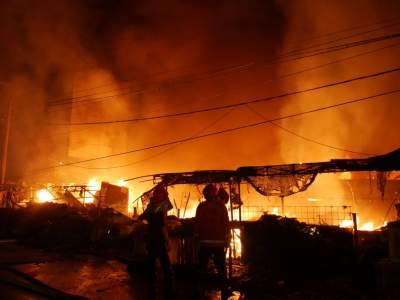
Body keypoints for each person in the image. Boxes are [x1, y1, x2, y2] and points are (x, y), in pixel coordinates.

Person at [139, 184, 173, 285]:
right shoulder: (158, 209)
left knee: (151, 260)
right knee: (165, 262)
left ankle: (151, 281)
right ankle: (168, 284)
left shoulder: (151, 206)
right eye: (162, 195)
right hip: (158, 238)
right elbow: (162, 226)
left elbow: (141, 218)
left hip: (150, 237)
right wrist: (168, 241)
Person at [195, 184, 230, 280]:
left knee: (202, 265)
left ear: (205, 194)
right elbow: (226, 223)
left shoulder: (201, 206)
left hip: (204, 242)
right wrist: (227, 238)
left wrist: (197, 236)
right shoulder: (221, 206)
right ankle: (224, 285)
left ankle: (201, 287)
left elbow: (197, 223)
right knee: (220, 265)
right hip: (218, 242)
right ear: (215, 194)